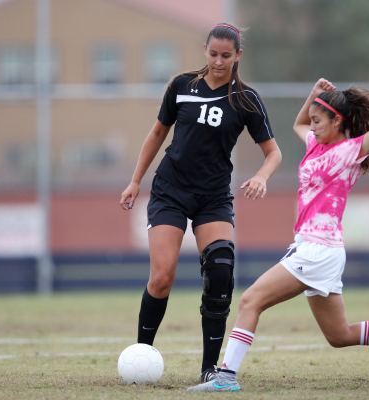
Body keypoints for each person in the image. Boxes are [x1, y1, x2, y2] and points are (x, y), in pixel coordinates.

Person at [188, 61, 369, 392]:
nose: (311, 127)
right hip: (318, 250)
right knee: (339, 335)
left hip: (318, 250)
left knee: (250, 300)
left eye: (318, 121)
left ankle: (225, 378)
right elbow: (299, 122)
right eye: (312, 121)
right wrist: (313, 96)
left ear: (337, 121)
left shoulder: (349, 151)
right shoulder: (316, 144)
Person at [119, 23, 282, 382]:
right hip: (171, 190)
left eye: (226, 55)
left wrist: (261, 177)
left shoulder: (246, 99)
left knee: (221, 270)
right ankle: (140, 356)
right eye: (212, 54)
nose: (218, 61)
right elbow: (157, 133)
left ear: (238, 55)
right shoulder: (181, 86)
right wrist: (135, 181)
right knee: (162, 278)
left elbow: (273, 153)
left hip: (213, 197)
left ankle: (210, 369)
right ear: (204, 50)